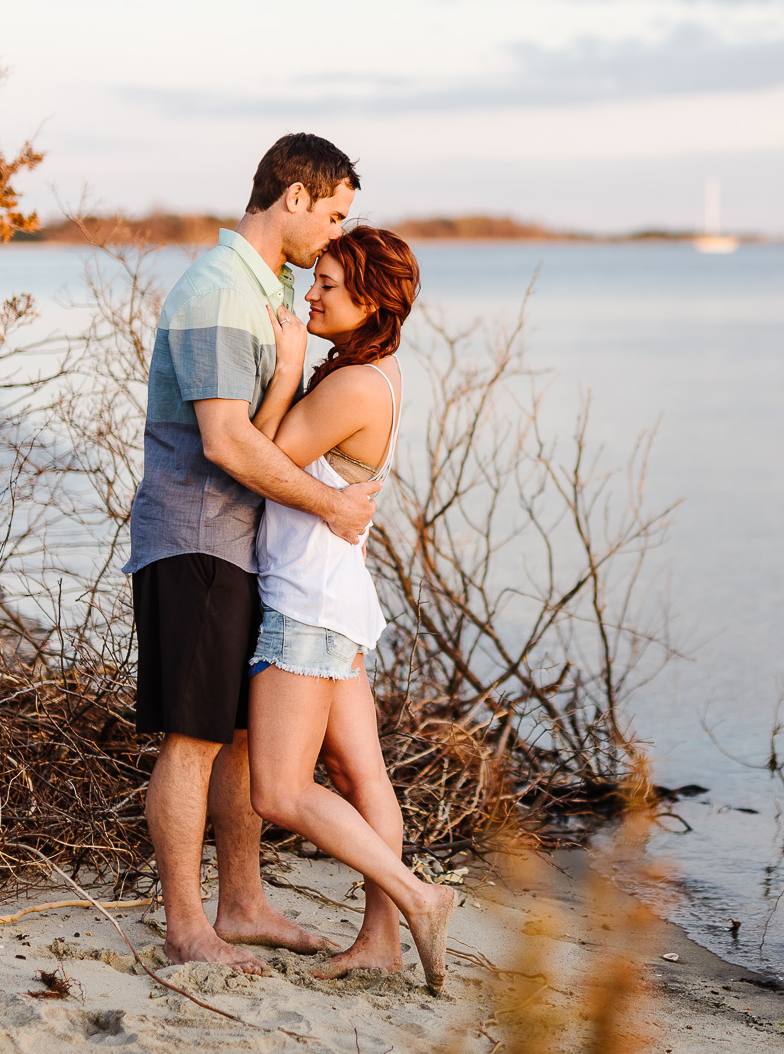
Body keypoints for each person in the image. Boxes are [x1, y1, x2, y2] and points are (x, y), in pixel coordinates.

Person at [124, 133, 375, 972]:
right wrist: (334, 504)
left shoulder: (262, 291)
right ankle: (187, 928)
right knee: (192, 738)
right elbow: (228, 443)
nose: (337, 237)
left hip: (240, 549)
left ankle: (243, 904)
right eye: (335, 216)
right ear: (294, 198)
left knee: (233, 733)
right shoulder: (219, 293)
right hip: (195, 538)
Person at [242, 225, 457, 994]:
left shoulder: (351, 384)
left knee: (279, 790)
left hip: (306, 603)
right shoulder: (380, 373)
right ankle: (381, 943)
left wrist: (286, 369)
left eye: (328, 284)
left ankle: (418, 898)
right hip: (339, 597)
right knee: (360, 773)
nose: (311, 293)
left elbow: (256, 456)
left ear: (369, 296)